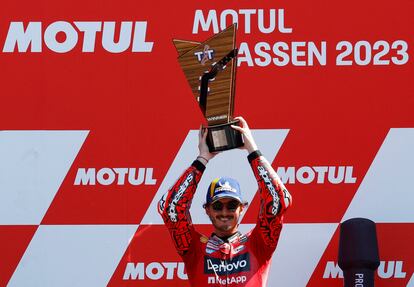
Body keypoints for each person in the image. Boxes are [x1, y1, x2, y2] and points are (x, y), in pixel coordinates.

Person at [158, 116, 292, 287]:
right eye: (217, 205)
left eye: (232, 205)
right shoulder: (194, 250)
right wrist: (202, 159)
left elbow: (279, 201)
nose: (224, 212)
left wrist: (253, 151)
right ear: (207, 209)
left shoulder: (259, 243)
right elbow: (170, 208)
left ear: (242, 208)